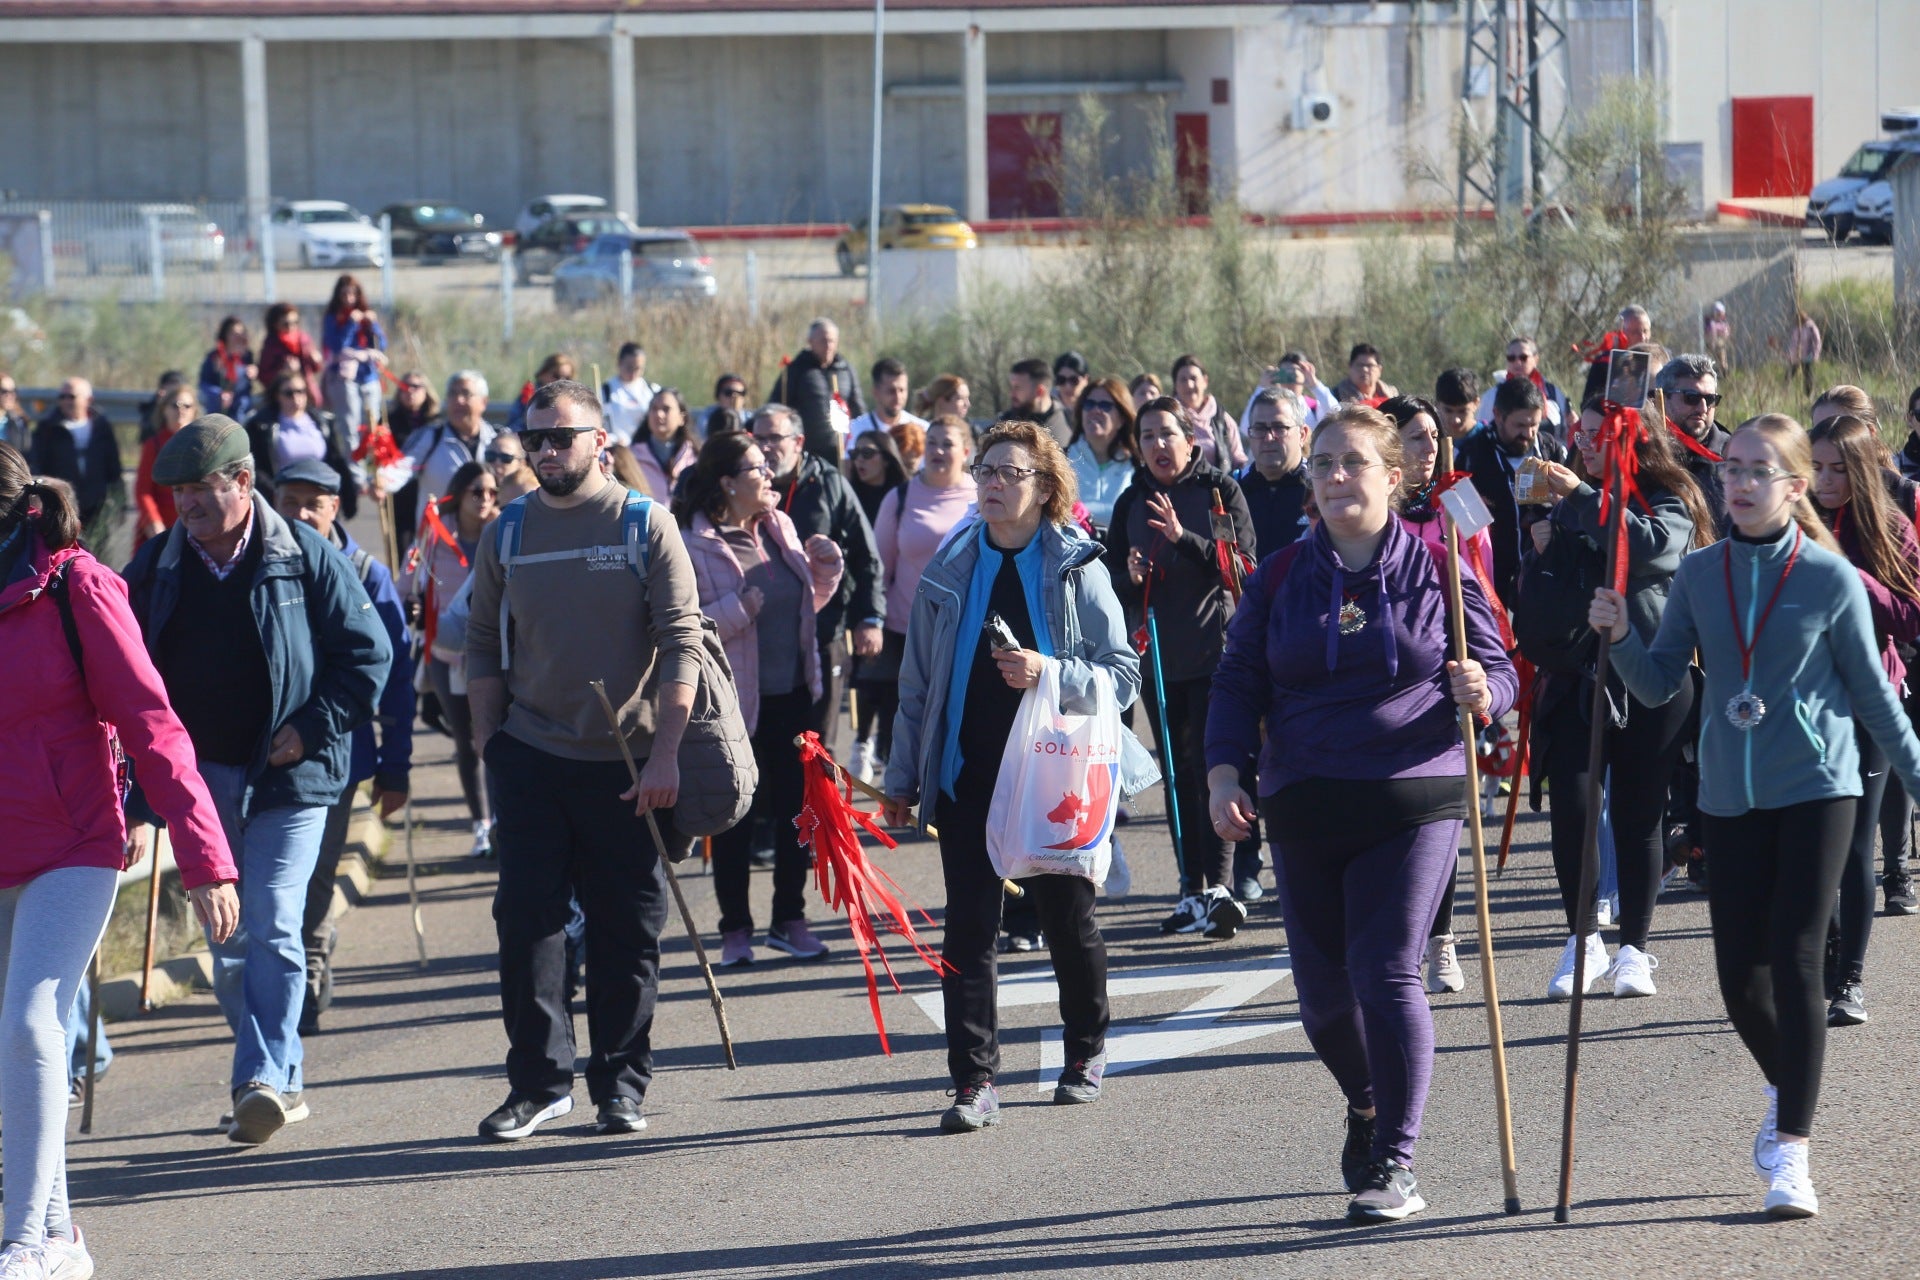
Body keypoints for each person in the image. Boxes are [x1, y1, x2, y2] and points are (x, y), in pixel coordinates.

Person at [1590, 414, 1920, 1219]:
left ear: (1794, 486)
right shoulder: (1701, 573)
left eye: (1756, 470)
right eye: (1730, 468)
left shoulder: (1829, 578)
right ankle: (1791, 1086)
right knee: (1741, 980)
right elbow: (1659, 681)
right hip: (1727, 798)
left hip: (1818, 785)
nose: (1737, 483)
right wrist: (1621, 632)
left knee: (1800, 959)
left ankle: (1794, 1157)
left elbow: (1877, 701)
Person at [1206, 405, 1516, 1223]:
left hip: (1415, 794)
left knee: (1385, 970)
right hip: (1303, 798)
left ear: (1392, 474)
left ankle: (1396, 1164)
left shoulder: (1442, 567)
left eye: (1352, 462)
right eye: (1323, 463)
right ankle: (1369, 1102)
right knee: (1322, 1007)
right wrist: (1221, 774)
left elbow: (1498, 667)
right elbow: (1238, 681)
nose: (1336, 476)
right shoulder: (1278, 576)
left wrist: (1486, 694)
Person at [0, 445, 239, 1279]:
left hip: (74, 845)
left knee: (32, 1024)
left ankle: (22, 1242)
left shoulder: (78, 587)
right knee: (13, 1042)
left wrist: (205, 857)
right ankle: (62, 1236)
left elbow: (152, 723)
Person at [123, 414, 390, 1147]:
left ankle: (261, 1079)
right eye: (177, 493)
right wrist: (137, 797)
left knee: (272, 918)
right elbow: (124, 685)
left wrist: (310, 727)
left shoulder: (303, 554)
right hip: (200, 782)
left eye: (201, 490)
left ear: (243, 482)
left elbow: (369, 655)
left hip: (292, 776)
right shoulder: (154, 569)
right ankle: (278, 1073)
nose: (188, 507)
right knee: (227, 940)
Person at [881, 419, 1140, 1130]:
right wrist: (904, 777)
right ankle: (973, 1081)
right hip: (969, 775)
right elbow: (917, 684)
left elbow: (1123, 679)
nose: (992, 483)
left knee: (1067, 921)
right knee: (968, 930)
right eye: (986, 470)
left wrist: (1047, 673)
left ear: (1047, 487)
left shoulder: (1077, 567)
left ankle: (1085, 1052)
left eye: (1009, 472)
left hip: (1055, 781)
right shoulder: (948, 566)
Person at [465, 379, 705, 1141]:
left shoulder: (645, 525)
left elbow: (681, 643)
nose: (545, 451)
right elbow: (478, 644)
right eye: (534, 439)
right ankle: (539, 1085)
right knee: (527, 925)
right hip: (531, 756)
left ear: (600, 440)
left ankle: (620, 1085)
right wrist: (488, 743)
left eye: (560, 437)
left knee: (624, 931)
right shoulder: (507, 530)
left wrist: (666, 753)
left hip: (630, 766)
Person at [1523, 396, 1714, 1001]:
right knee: (1574, 807)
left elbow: (1651, 548)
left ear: (1630, 440)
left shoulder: (1670, 495)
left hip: (1655, 675)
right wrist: (1544, 543)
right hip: (1579, 676)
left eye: (1594, 435)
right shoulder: (1569, 498)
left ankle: (1635, 948)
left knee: (1638, 815)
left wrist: (1581, 496)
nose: (1580, 445)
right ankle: (1583, 941)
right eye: (1577, 434)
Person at [676, 432, 843, 967]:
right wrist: (736, 608)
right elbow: (686, 625)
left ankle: (789, 920)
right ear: (727, 482)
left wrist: (826, 569)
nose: (769, 474)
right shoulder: (693, 543)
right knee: (736, 815)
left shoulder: (781, 526)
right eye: (756, 468)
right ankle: (735, 930)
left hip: (794, 693)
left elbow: (801, 604)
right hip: (732, 705)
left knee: (799, 812)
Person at [269, 458, 412, 1034]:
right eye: (291, 500)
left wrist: (396, 768)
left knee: (318, 872)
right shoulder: (261, 562)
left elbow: (396, 677)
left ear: (336, 507)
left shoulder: (366, 574)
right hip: (266, 751)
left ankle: (310, 962)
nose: (301, 513)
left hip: (339, 757)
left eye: (314, 502)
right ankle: (286, 968)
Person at [1107, 395, 1256, 937]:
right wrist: (1131, 573)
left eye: (1167, 434)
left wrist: (1181, 538)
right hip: (1159, 661)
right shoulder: (1131, 502)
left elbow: (1240, 567)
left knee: (1211, 771)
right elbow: (1114, 587)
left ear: (1190, 439)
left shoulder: (1218, 491)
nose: (1157, 445)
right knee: (1176, 776)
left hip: (1216, 655)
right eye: (1147, 436)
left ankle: (1221, 885)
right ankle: (1190, 888)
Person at [1385, 393, 1502, 996]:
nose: (1427, 449)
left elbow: (1485, 575)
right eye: (1413, 438)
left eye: (1432, 436)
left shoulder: (1462, 495)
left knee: (1443, 810)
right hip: (1388, 664)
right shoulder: (1375, 504)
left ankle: (1443, 938)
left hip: (1449, 658)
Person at [1808, 414, 1920, 1027]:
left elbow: (1910, 617)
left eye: (1837, 469)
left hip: (1870, 702)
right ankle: (1826, 950)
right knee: (1809, 845)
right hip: (1797, 708)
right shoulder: (1788, 520)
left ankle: (1850, 980)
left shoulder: (1891, 527)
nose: (1824, 481)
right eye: (1815, 466)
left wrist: (1852, 578)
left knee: (1853, 846)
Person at [754, 404, 884, 737]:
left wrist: (870, 618)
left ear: (798, 441)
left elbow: (865, 555)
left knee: (817, 743)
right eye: (759, 437)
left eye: (775, 437)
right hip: (761, 636)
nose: (766, 447)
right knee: (771, 743)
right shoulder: (746, 483)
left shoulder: (829, 483)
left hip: (822, 632)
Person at [868, 415, 977, 784]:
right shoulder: (898, 498)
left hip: (965, 628)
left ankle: (952, 783)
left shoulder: (980, 497)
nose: (938, 451)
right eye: (931, 443)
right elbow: (879, 567)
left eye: (947, 443)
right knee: (911, 711)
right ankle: (904, 784)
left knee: (958, 713)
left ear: (965, 451)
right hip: (907, 628)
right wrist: (873, 620)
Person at [413, 460, 499, 858]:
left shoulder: (502, 532)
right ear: (459, 494)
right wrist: (414, 607)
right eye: (477, 492)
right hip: (446, 655)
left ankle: (502, 820)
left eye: (492, 493)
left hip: (492, 654)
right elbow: (407, 583)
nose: (485, 500)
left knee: (494, 740)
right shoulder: (434, 533)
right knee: (466, 740)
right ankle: (480, 824)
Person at [1457, 375, 1567, 605]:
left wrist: (1561, 503)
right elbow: (1461, 524)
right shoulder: (1472, 456)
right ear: (1498, 415)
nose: (1528, 433)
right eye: (1520, 425)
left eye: (1534, 425)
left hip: (1542, 578)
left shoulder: (1550, 451)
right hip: (1491, 577)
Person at [244, 371, 360, 520]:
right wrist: (275, 493)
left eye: (300, 391)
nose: (296, 397)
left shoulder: (322, 422)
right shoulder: (261, 425)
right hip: (284, 501)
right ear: (277, 395)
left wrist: (349, 497)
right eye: (288, 393)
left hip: (319, 497)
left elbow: (337, 461)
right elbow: (256, 468)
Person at [28, 378, 123, 543]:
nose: (66, 401)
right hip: (62, 505)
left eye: (71, 396)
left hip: (96, 505)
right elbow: (37, 464)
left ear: (88, 399)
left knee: (97, 553)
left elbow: (113, 465)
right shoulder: (48, 428)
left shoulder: (101, 426)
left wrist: (118, 502)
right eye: (62, 397)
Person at [769, 318, 866, 464]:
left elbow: (857, 407)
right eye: (823, 341)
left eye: (832, 341)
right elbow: (778, 407)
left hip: (841, 451)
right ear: (810, 341)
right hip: (807, 451)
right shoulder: (796, 370)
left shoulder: (846, 370)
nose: (828, 346)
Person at [402, 370, 497, 511]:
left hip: (486, 531)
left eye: (466, 393)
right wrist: (382, 481)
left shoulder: (497, 440)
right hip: (437, 531)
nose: (458, 400)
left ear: (483, 402)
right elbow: (401, 468)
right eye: (452, 394)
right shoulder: (430, 436)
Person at [1240, 387, 1312, 557]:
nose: (1269, 437)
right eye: (1259, 429)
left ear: (1302, 435)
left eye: (1279, 427)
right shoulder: (1233, 490)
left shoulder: (1319, 490)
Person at [1065, 377, 1137, 533]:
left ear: (1122, 419)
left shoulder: (1138, 465)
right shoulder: (1061, 461)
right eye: (1089, 404)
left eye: (1105, 406)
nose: (1095, 410)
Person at [134, 382, 199, 549]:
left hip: (195, 527)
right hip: (160, 529)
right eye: (175, 405)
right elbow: (143, 490)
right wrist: (153, 523)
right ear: (164, 409)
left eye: (187, 406)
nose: (181, 410)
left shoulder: (201, 445)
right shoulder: (153, 444)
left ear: (194, 411)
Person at [319, 274, 387, 432]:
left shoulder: (366, 315)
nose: (349, 298)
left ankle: (370, 453)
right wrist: (351, 324)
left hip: (368, 374)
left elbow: (381, 345)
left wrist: (373, 326)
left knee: (372, 421)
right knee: (350, 422)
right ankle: (352, 456)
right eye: (345, 294)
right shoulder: (333, 318)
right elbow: (336, 346)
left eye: (353, 294)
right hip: (344, 377)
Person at [1474, 337, 1571, 436]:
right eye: (1511, 358)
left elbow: (1564, 433)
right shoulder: (1492, 396)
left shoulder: (1552, 392)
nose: (1517, 362)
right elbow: (1482, 432)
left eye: (1523, 357)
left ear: (1536, 359)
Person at [1171, 354, 1247, 471]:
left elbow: (1238, 458)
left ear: (1205, 381)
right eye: (1183, 380)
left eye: (1193, 378)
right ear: (1175, 385)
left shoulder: (1221, 418)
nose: (1189, 385)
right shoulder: (1169, 418)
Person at [847, 357, 929, 453]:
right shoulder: (854, 430)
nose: (898, 397)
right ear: (875, 392)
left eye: (902, 390)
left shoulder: (922, 430)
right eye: (891, 391)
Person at [631, 388, 697, 501]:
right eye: (654, 409)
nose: (659, 414)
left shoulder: (696, 457)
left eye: (666, 409)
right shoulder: (632, 457)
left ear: (682, 418)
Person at [847, 426, 911, 530]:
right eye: (855, 454)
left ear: (886, 459)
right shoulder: (848, 498)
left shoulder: (906, 496)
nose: (859, 459)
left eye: (867, 453)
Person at [199, 315, 259, 422]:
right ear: (225, 335)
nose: (238, 337)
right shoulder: (215, 356)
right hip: (218, 406)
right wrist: (219, 394)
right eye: (233, 333)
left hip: (240, 407)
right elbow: (204, 383)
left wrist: (254, 371)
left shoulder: (247, 356)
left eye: (240, 333)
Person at [1001, 357, 1071, 447]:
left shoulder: (1069, 422)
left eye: (1017, 387)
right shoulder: (1004, 426)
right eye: (1012, 387)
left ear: (1039, 391)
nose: (1012, 394)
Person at [601, 342, 660, 445]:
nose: (633, 373)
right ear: (619, 363)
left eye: (637, 368)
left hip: (645, 449)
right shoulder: (606, 391)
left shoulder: (653, 390)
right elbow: (603, 423)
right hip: (618, 449)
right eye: (629, 368)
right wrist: (613, 440)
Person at [505, 353, 577, 435]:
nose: (561, 381)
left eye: (567, 378)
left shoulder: (573, 401)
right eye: (556, 376)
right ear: (542, 374)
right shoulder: (529, 394)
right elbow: (511, 429)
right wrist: (527, 420)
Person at [257, 302, 323, 390]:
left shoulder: (304, 340)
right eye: (286, 324)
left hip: (307, 391)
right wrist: (284, 371)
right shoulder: (271, 345)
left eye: (295, 323)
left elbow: (313, 369)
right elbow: (263, 376)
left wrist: (316, 361)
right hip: (284, 396)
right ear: (275, 324)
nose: (291, 327)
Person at [1332, 343, 1398, 408]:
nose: (1365, 369)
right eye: (1360, 365)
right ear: (1350, 367)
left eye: (1370, 365)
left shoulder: (1393, 397)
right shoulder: (1335, 397)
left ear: (1379, 370)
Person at [485, 431, 538, 505]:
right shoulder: (475, 492)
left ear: (522, 463)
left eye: (506, 458)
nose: (497, 463)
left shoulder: (531, 493)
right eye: (491, 456)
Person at [699, 373, 751, 439]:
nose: (735, 397)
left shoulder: (750, 420)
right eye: (729, 393)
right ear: (718, 395)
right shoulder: (707, 419)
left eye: (740, 393)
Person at [1433, 369, 1480, 439]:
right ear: (1437, 405)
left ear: (1476, 403)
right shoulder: (1428, 442)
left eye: (1462, 411)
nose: (1456, 420)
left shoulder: (1490, 442)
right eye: (1448, 411)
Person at [1787, 310, 1822, 399]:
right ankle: (1785, 392)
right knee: (1789, 374)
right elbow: (1793, 343)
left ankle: (1808, 394)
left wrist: (1815, 355)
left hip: (1807, 356)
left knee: (1807, 376)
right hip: (1796, 357)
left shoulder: (1810, 327)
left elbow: (1817, 342)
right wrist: (1791, 355)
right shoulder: (1796, 328)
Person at [1051, 351, 1090, 417]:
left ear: (1086, 379)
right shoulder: (1046, 405)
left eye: (1074, 380)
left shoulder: (1095, 405)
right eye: (1061, 380)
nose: (1067, 386)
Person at [0, 374, 28, 453]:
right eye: (4, 391)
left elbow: (26, 455)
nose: (10, 395)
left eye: (13, 391)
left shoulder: (19, 423)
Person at [1707, 300, 1735, 374]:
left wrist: (1725, 333)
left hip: (1723, 343)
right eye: (1718, 314)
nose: (1720, 316)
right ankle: (1723, 369)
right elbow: (1712, 334)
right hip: (1716, 343)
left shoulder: (1724, 324)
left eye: (1721, 314)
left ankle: (1724, 369)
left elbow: (1727, 333)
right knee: (1720, 356)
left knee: (1723, 357)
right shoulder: (1712, 324)